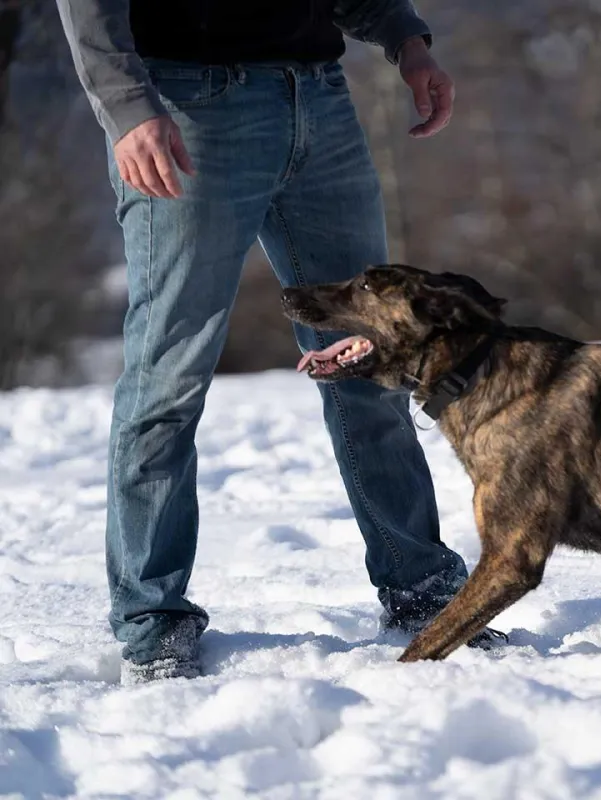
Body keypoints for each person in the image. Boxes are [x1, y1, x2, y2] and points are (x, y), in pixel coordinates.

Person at [55, 0, 503, 685]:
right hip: (188, 109)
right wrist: (125, 103)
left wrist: (406, 39)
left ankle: (422, 591)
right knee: (168, 379)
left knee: (370, 362)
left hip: (319, 101)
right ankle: (153, 626)